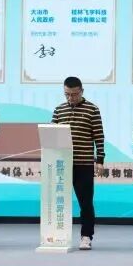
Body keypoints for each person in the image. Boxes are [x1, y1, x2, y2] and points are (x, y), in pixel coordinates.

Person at [51, 76, 105, 250]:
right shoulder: (59, 110)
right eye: (67, 94)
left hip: (84, 164)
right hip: (62, 164)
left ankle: (86, 236)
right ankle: (58, 234)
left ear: (82, 91)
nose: (70, 98)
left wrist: (100, 160)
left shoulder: (92, 110)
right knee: (59, 201)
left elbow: (99, 137)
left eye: (74, 94)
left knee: (85, 202)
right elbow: (51, 135)